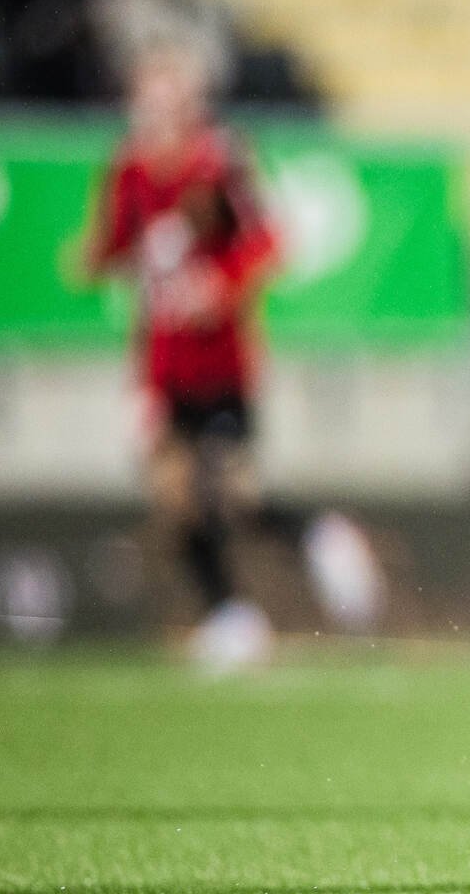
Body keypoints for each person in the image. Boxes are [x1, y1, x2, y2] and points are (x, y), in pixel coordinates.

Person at [86, 44, 381, 670]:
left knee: (235, 494)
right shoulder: (130, 173)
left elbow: (269, 238)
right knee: (173, 496)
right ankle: (230, 617)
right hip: (162, 365)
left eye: (169, 104)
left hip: (220, 362)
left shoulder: (216, 167)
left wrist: (221, 285)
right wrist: (96, 259)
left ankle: (322, 538)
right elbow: (114, 246)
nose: (156, 118)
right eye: (147, 104)